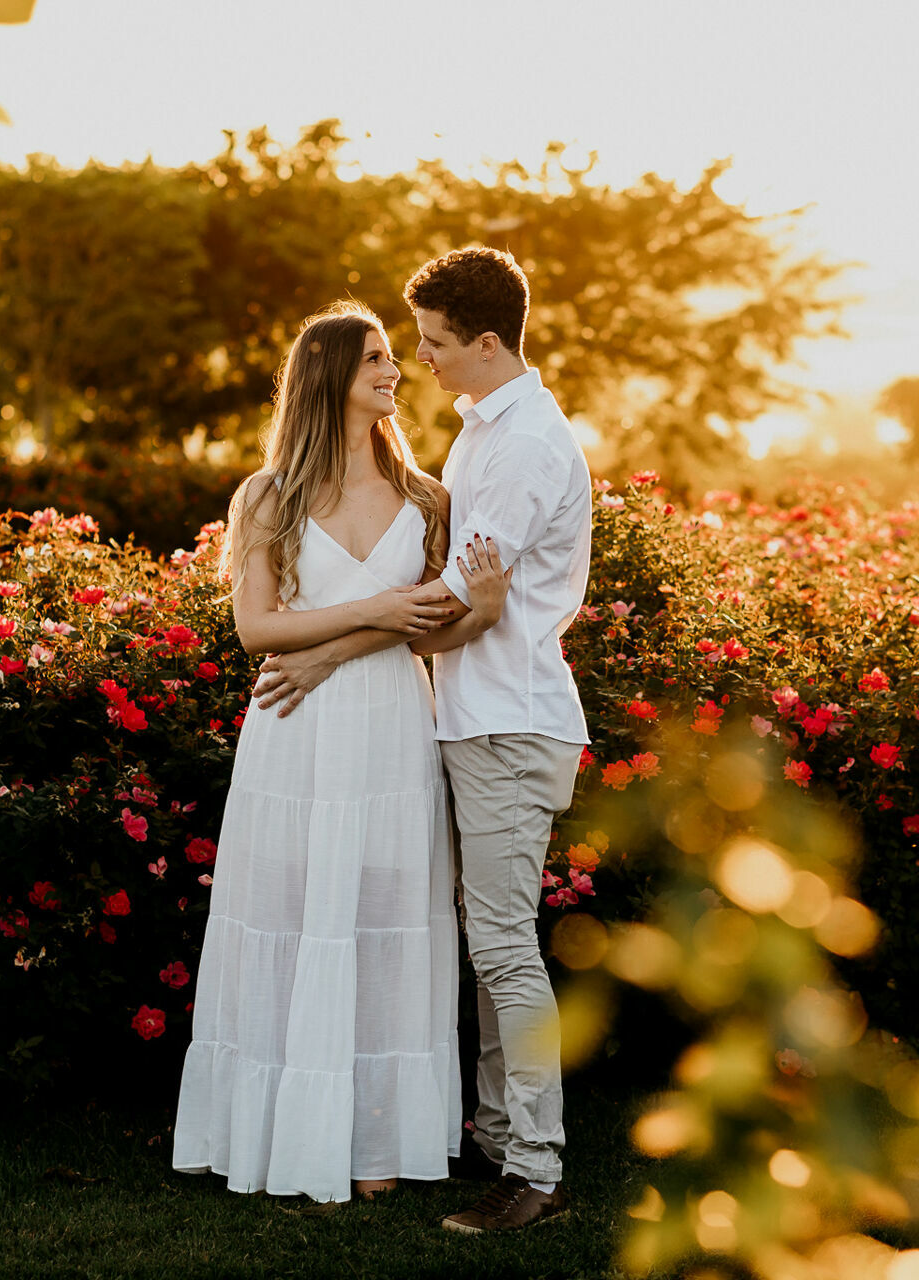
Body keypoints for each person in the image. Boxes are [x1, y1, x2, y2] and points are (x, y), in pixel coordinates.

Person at [254, 248, 593, 1234]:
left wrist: (322, 653)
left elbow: (458, 600)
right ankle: (497, 1132)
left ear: (486, 341)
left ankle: (534, 1167)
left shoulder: (525, 444)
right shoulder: (484, 434)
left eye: (437, 341)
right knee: (491, 943)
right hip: (474, 715)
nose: (422, 358)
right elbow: (461, 595)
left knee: (501, 944)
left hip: (507, 718)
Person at [171, 301, 513, 1204]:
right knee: (292, 920)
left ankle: (373, 1144)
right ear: (327, 375)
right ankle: (280, 1133)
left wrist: (453, 612)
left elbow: (430, 631)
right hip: (297, 736)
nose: (396, 370)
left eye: (397, 356)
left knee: (384, 921)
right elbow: (254, 629)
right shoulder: (267, 495)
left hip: (394, 730)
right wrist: (372, 611)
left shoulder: (427, 498)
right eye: (375, 358)